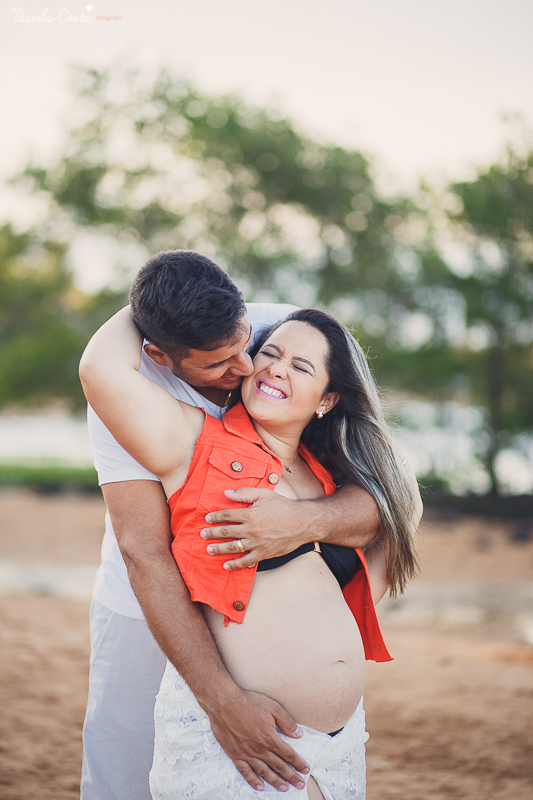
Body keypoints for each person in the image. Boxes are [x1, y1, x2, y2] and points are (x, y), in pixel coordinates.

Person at [80, 290, 421, 798]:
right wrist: (160, 301)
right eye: (271, 354)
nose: (276, 368)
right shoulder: (193, 440)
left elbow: (403, 505)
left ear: (328, 400)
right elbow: (99, 369)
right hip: (242, 732)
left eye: (301, 367)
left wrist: (311, 540)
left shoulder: (331, 476)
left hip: (338, 747)